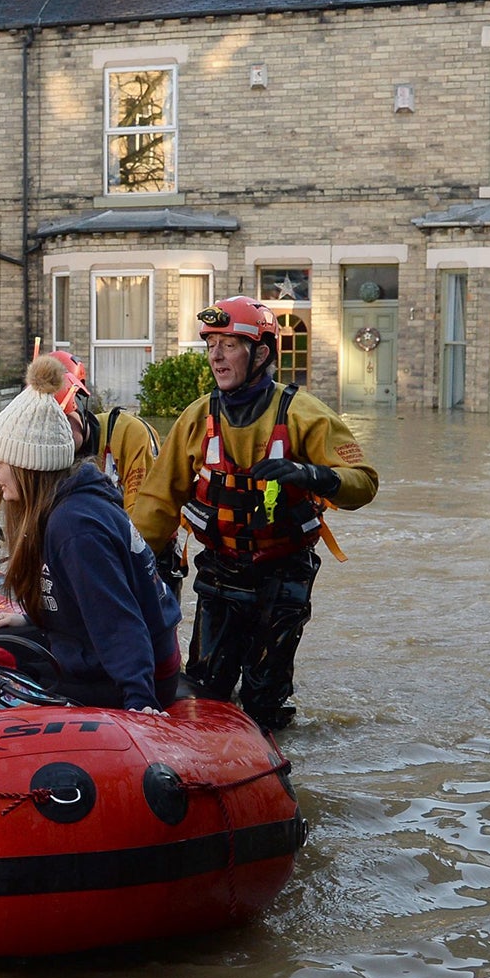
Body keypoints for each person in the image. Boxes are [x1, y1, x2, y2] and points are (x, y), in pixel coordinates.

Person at [131, 296, 378, 732]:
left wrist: (310, 473)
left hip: (283, 575)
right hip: (220, 572)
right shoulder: (196, 419)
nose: (216, 356)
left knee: (265, 695)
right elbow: (156, 504)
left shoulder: (303, 414)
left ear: (262, 353)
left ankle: (275, 756)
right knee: (205, 686)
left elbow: (364, 482)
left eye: (229, 344)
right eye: (211, 344)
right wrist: (129, 564)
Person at [0, 357, 181, 710]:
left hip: (126, 680)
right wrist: (32, 618)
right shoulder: (61, 508)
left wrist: (140, 703)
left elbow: (119, 621)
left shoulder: (75, 529)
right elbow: (78, 595)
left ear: (28, 467)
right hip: (92, 655)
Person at [0, 350, 158, 555]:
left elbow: (145, 514)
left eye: (62, 423)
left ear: (79, 406)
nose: (53, 436)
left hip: (132, 554)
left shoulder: (128, 434)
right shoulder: (23, 436)